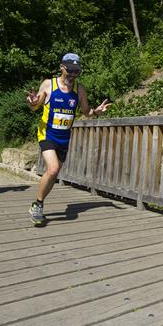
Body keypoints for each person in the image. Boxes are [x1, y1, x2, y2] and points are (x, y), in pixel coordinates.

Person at [26, 53, 111, 226]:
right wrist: (33, 102)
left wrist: (96, 112)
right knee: (53, 169)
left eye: (76, 71)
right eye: (70, 70)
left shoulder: (79, 90)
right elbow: (35, 106)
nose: (72, 74)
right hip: (47, 134)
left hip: (64, 138)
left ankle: (39, 202)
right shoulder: (49, 84)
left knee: (54, 173)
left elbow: (86, 112)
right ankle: (37, 205)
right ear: (61, 68)